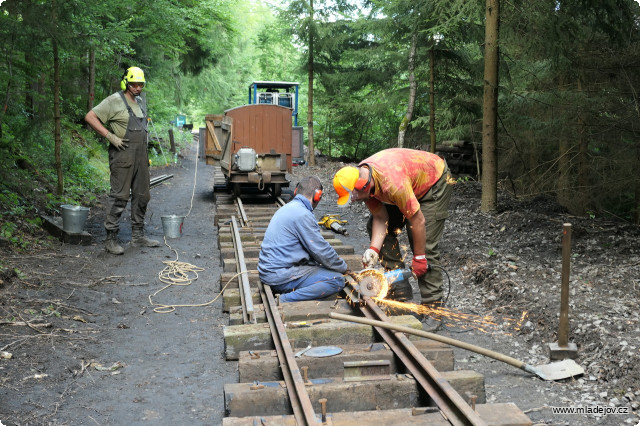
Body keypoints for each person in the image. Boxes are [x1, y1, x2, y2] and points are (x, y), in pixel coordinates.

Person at [333, 148, 453, 328]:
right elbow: (381, 218)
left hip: (433, 183)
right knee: (372, 225)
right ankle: (400, 288)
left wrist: (419, 258)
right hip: (408, 183)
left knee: (422, 242)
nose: (354, 200)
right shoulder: (362, 178)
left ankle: (433, 309)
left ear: (363, 187)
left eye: (354, 196)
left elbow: (418, 219)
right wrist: (373, 250)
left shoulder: (392, 184)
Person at [84, 66, 159, 255]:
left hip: (141, 156)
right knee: (119, 197)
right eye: (134, 84)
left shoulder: (141, 102)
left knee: (142, 195)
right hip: (122, 155)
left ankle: (138, 236)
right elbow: (90, 117)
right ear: (126, 82)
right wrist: (110, 136)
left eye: (140, 84)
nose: (138, 88)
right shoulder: (114, 100)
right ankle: (110, 239)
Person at [258, 176, 350, 302]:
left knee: (320, 267)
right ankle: (285, 300)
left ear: (296, 191)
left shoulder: (287, 208)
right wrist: (344, 268)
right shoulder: (303, 214)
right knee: (337, 280)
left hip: (271, 271)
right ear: (317, 196)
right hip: (279, 276)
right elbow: (321, 250)